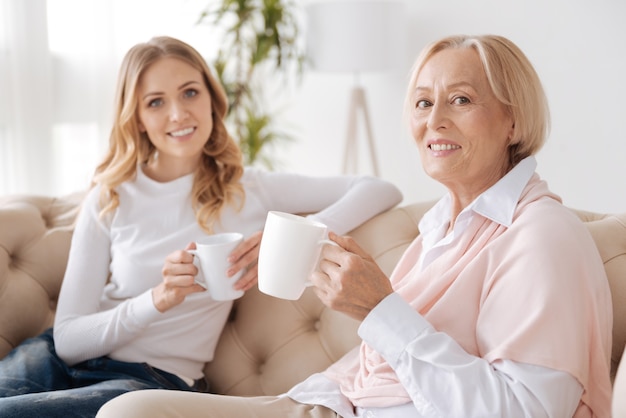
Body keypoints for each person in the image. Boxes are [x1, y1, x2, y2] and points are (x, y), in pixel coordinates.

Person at [96, 34, 613, 418]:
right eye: (423, 102)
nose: (434, 121)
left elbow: (526, 411)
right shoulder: (441, 228)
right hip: (335, 402)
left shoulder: (542, 236)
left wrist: (379, 308)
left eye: (461, 99)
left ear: (514, 121)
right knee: (126, 412)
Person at [0, 36, 403, 418]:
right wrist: (157, 299)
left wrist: (295, 236)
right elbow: (68, 342)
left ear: (212, 99)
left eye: (190, 92)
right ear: (137, 118)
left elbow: (379, 188)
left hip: (149, 383)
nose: (179, 114)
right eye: (156, 102)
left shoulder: (248, 190)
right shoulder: (110, 198)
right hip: (53, 358)